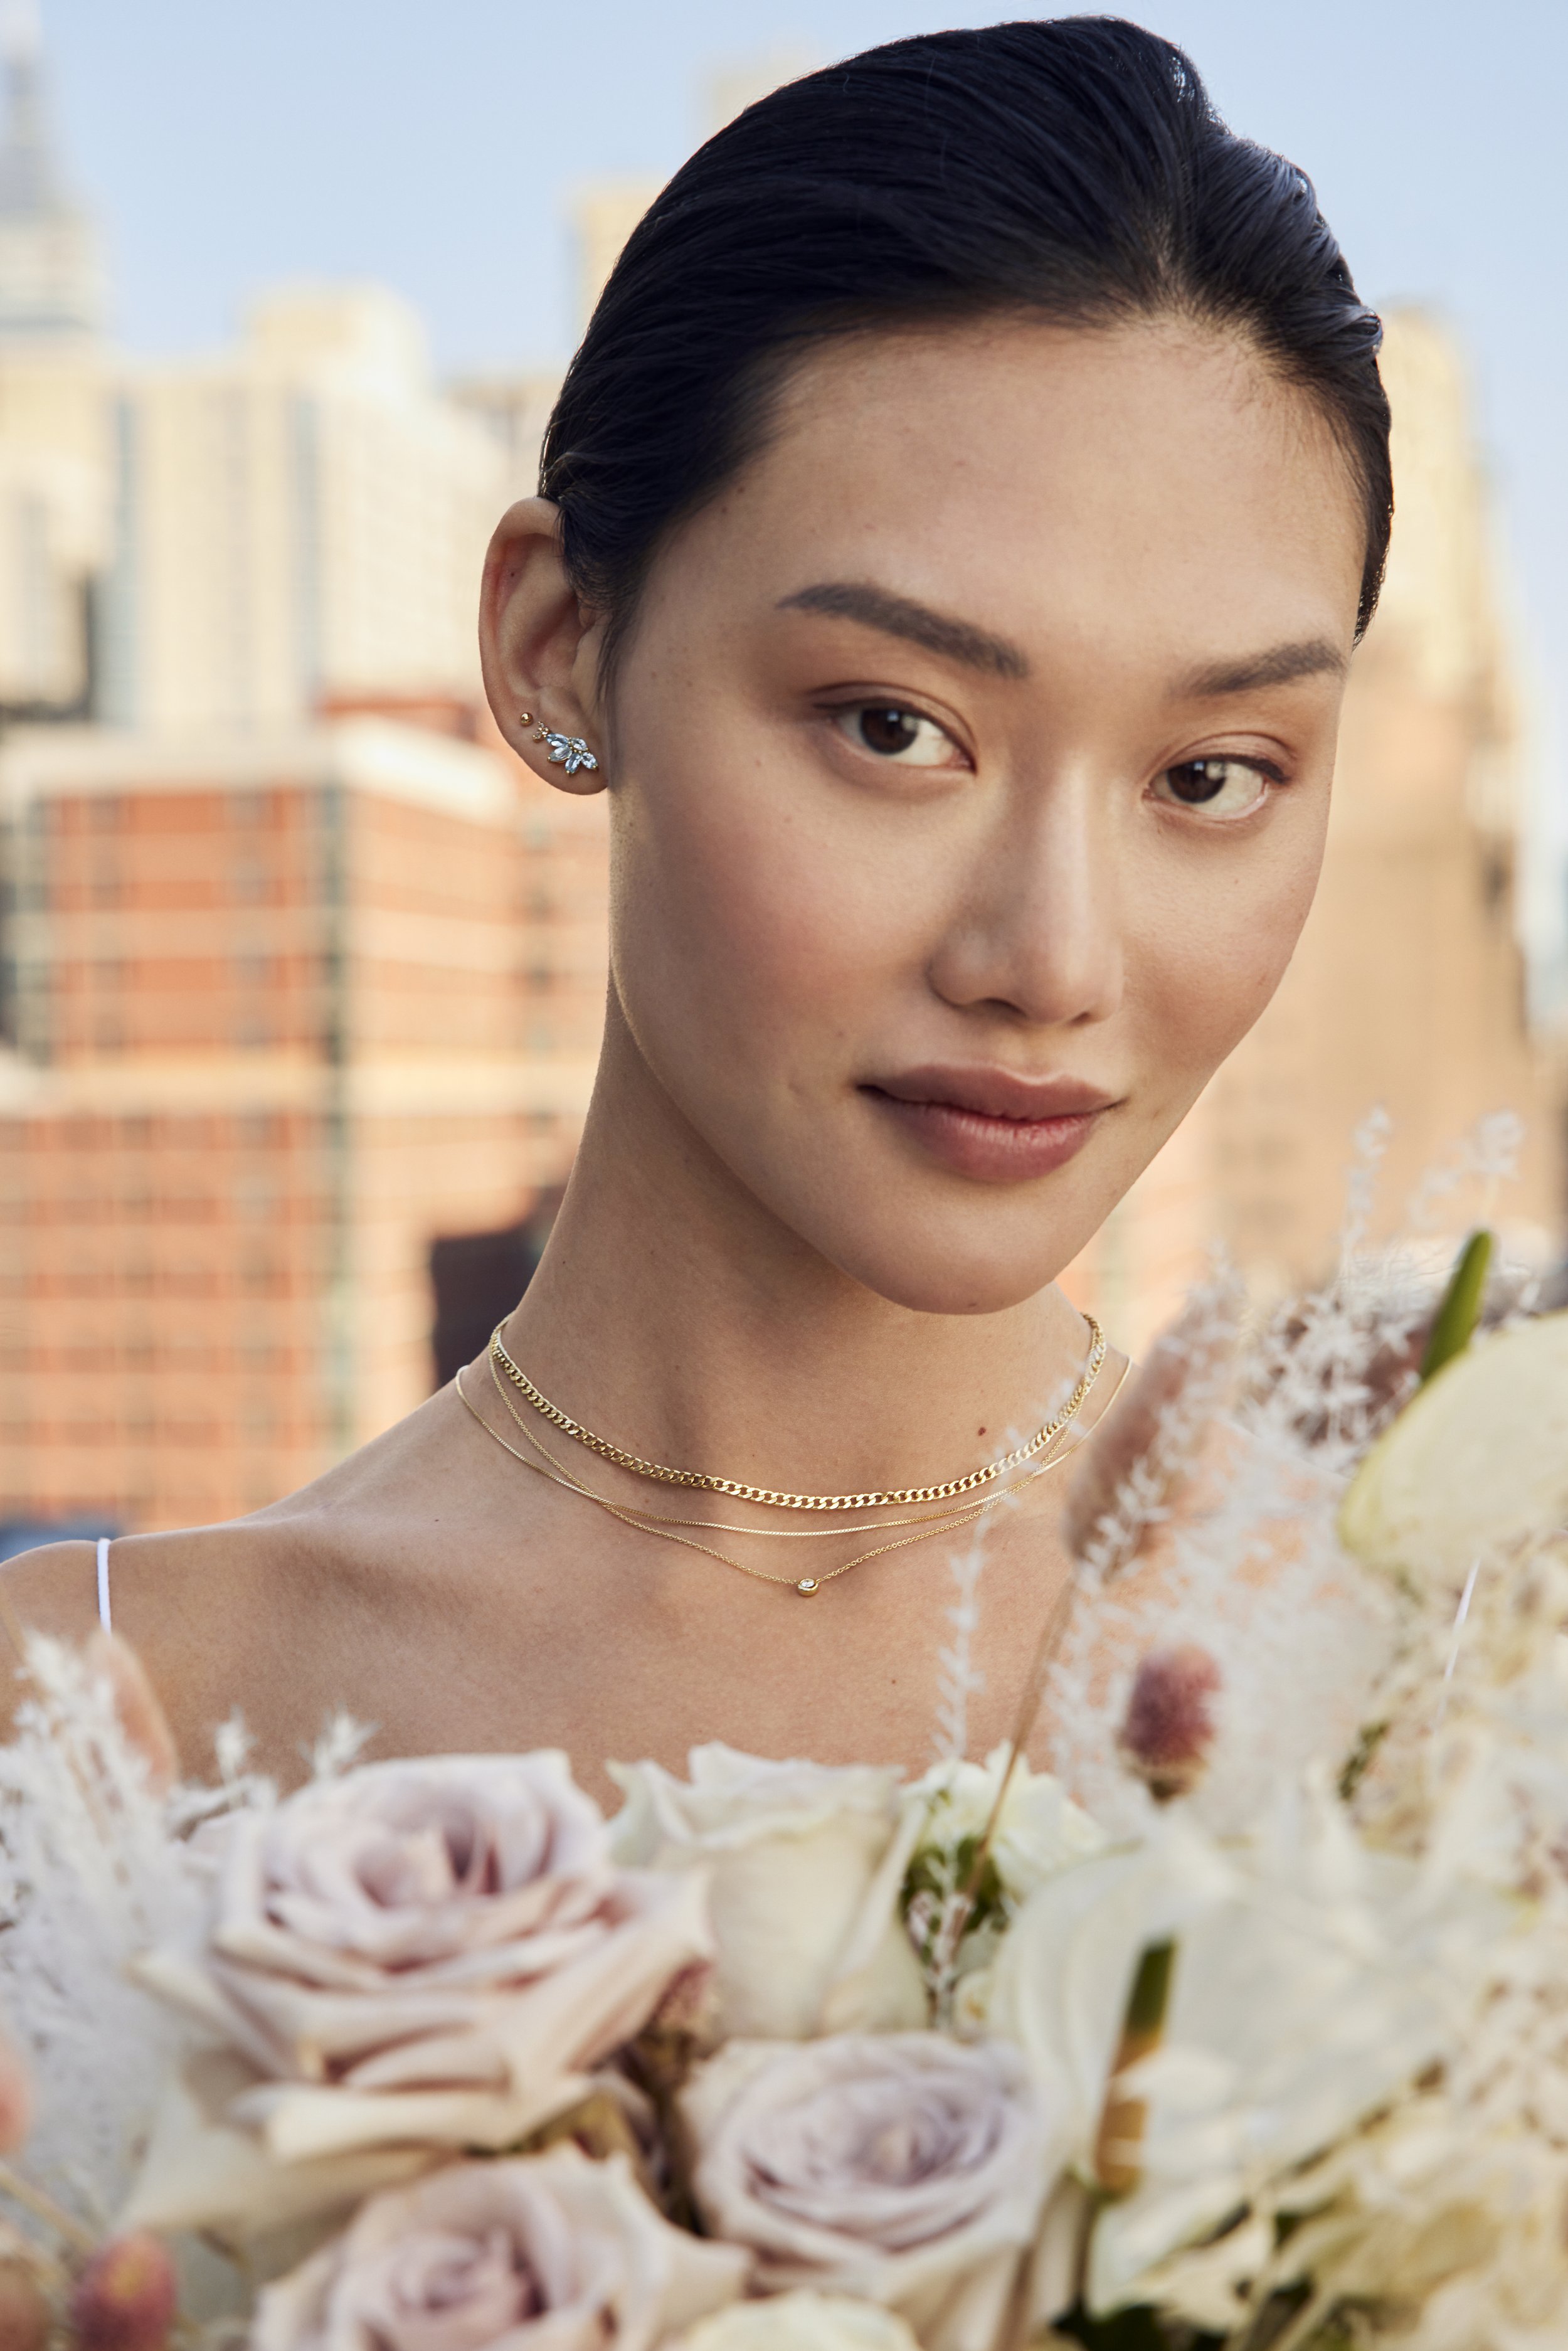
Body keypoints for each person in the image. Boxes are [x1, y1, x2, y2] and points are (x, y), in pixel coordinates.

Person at [1, 18, 1389, 1805]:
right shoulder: (82, 1728)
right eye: (895, 728)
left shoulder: (1450, 1676)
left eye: (1209, 776)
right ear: (555, 644)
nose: (1049, 960)